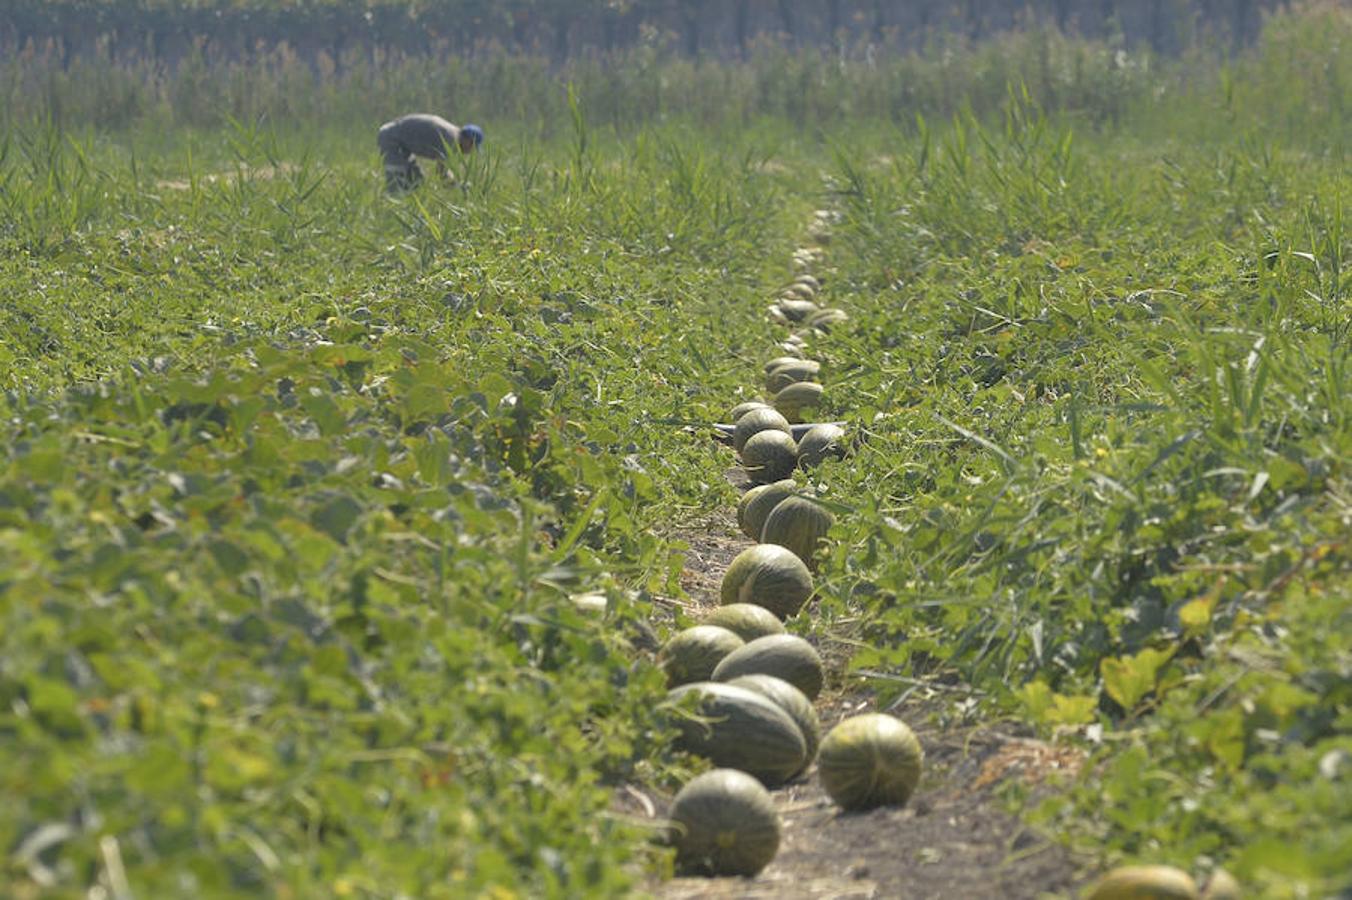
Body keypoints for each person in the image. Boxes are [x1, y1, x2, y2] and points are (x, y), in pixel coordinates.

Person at [377, 114, 484, 192]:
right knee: (397, 184)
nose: (470, 151)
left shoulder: (452, 134)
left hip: (401, 143)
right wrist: (459, 187)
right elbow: (441, 172)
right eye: (473, 147)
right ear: (469, 140)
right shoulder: (451, 140)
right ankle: (388, 213)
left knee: (416, 181)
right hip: (391, 139)